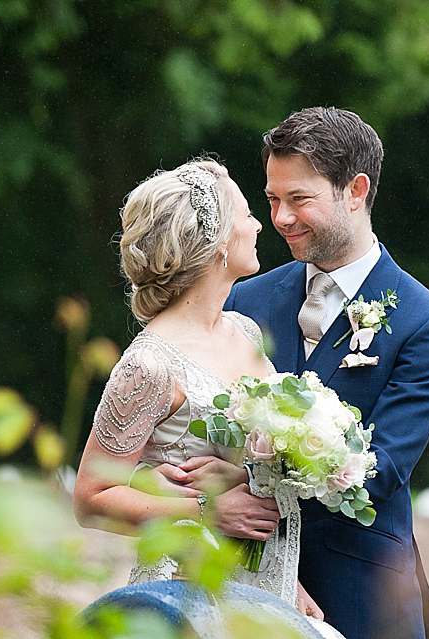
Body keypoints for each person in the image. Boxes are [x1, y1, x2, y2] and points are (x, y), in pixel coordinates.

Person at [72, 158, 346, 639]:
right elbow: (91, 498)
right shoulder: (150, 364)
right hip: (185, 597)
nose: (260, 223)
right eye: (246, 213)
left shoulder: (243, 333)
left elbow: (251, 475)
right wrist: (205, 510)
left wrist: (287, 578)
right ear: (218, 241)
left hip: (265, 589)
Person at [224, 107, 429, 639]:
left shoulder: (428, 324)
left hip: (359, 595)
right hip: (241, 584)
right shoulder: (247, 298)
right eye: (272, 200)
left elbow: (381, 471)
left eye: (299, 199)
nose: (280, 218)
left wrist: (248, 480)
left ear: (355, 191)